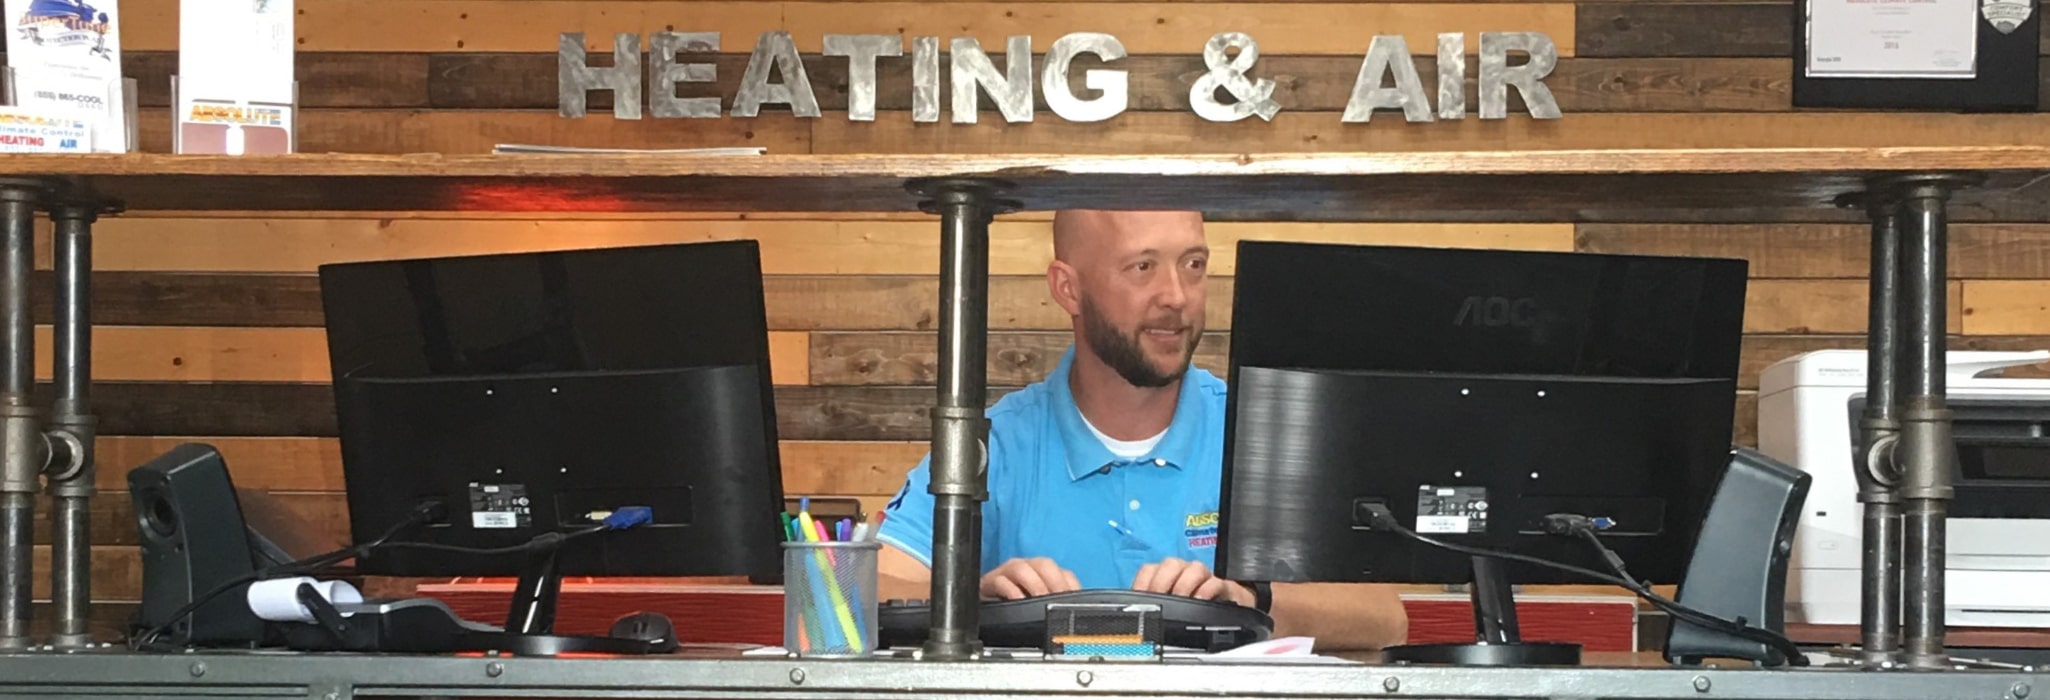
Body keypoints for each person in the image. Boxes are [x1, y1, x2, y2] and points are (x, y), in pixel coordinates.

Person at [874, 209, 1409, 650]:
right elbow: (857, 594)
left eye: (1193, 264)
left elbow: (1384, 617)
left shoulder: (1262, 434)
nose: (1176, 295)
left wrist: (1251, 600)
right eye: (1143, 267)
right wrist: (970, 597)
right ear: (1068, 289)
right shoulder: (998, 444)